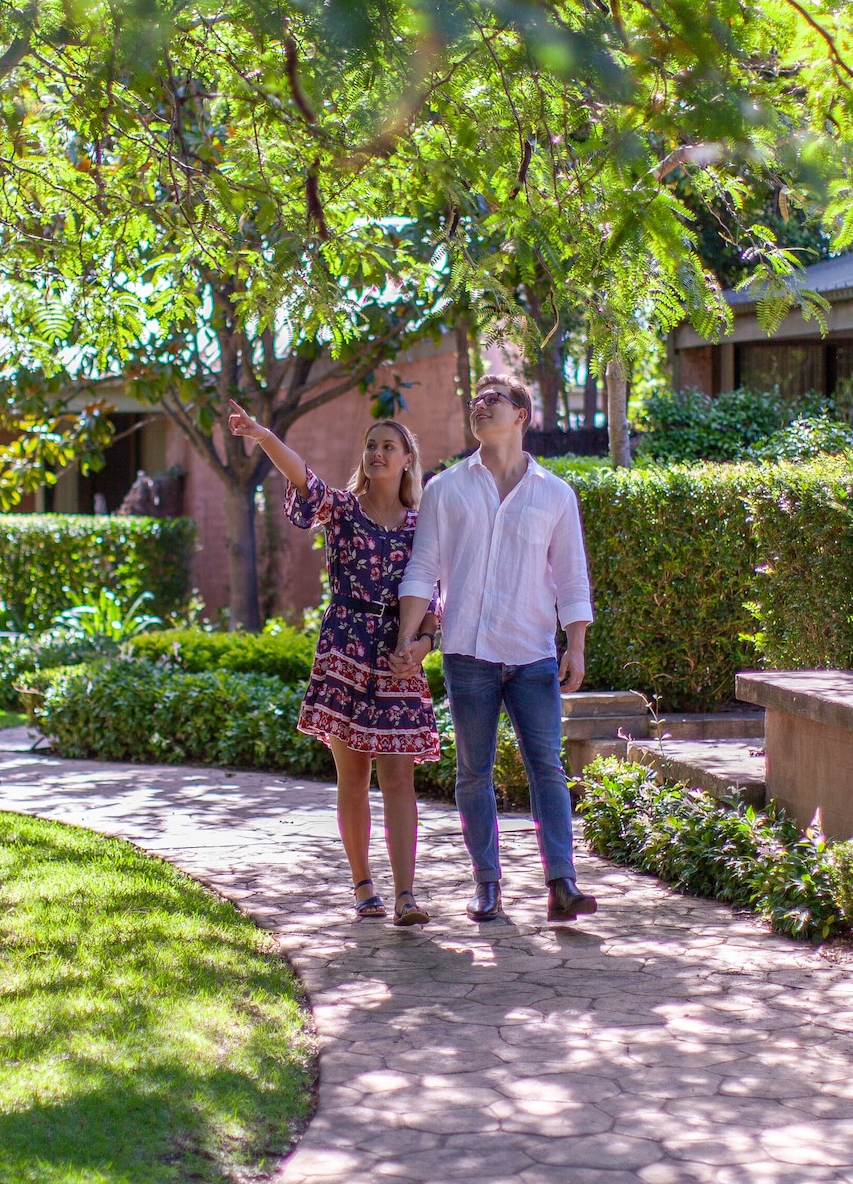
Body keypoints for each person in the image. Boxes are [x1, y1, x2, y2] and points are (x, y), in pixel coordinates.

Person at [389, 372, 598, 923]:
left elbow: (571, 576)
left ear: (521, 415)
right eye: (475, 401)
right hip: (468, 654)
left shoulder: (554, 494)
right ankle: (487, 884)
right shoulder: (446, 489)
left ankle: (562, 884)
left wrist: (574, 645)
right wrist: (409, 638)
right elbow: (423, 569)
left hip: (532, 653)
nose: (480, 408)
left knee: (547, 770)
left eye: (493, 401)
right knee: (473, 773)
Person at [226, 401, 441, 926]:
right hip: (345, 646)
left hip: (398, 655)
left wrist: (424, 645)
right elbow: (305, 481)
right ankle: (363, 884)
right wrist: (264, 437)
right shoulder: (343, 508)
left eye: (389, 445)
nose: (377, 453)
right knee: (353, 777)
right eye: (371, 445)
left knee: (399, 778)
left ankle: (407, 894)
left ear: (409, 458)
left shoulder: (423, 525)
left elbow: (435, 595)